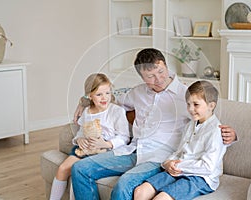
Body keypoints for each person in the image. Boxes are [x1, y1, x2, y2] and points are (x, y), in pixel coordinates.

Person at [71, 48, 236, 200]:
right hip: (131, 151)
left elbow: (208, 118)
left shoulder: (186, 96)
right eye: (150, 76)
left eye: (161, 71)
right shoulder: (137, 92)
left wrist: (231, 135)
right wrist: (85, 101)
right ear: (142, 77)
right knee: (80, 169)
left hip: (159, 158)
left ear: (165, 65)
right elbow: (111, 97)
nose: (158, 79)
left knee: (123, 187)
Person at [134, 80, 227, 200]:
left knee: (161, 199)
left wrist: (179, 166)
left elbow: (208, 167)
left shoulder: (215, 131)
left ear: (211, 105)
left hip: (200, 177)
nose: (191, 109)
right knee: (140, 192)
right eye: (188, 104)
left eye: (196, 104)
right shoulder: (190, 125)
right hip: (179, 170)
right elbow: (179, 152)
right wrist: (168, 163)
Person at [49, 73, 130, 200]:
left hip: (105, 151)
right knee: (63, 169)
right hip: (85, 149)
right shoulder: (87, 112)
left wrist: (107, 144)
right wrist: (79, 139)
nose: (104, 98)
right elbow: (81, 131)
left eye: (107, 93)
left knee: (80, 170)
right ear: (90, 96)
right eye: (99, 94)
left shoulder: (116, 111)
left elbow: (124, 137)